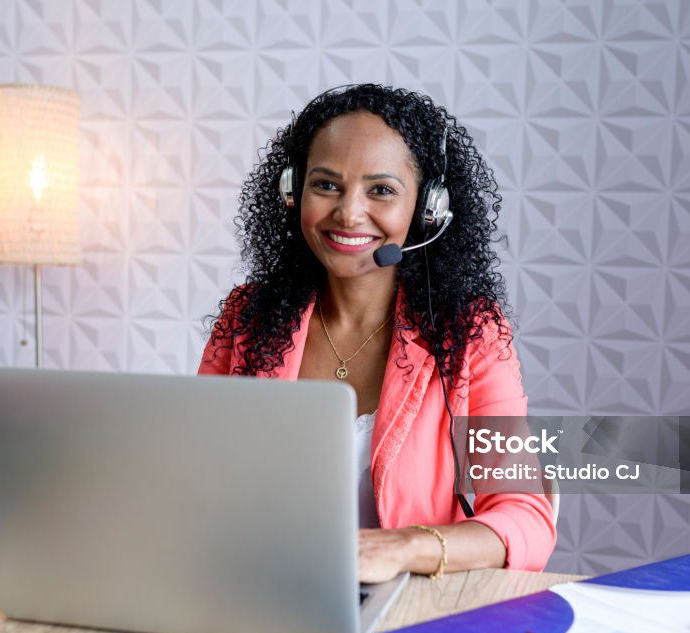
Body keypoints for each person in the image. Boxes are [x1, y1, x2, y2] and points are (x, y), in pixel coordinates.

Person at [199, 84, 556, 582]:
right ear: (292, 190)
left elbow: (526, 519)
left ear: (428, 209)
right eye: (325, 185)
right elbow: (196, 477)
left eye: (381, 190)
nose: (348, 213)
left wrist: (404, 547)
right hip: (259, 587)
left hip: (410, 605)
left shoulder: (469, 333)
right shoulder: (248, 317)